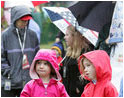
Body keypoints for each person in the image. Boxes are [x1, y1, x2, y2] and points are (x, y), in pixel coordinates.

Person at [1, 5, 39, 97]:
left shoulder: (32, 35)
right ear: (15, 19)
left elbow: (37, 56)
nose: (25, 22)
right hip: (10, 82)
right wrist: (8, 72)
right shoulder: (5, 35)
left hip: (28, 82)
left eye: (27, 20)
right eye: (22, 20)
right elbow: (1, 57)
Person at [59, 25, 94, 97]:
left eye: (67, 35)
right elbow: (64, 73)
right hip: (66, 92)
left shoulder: (86, 52)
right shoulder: (68, 53)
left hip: (78, 94)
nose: (64, 37)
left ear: (75, 37)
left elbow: (88, 74)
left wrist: (79, 87)